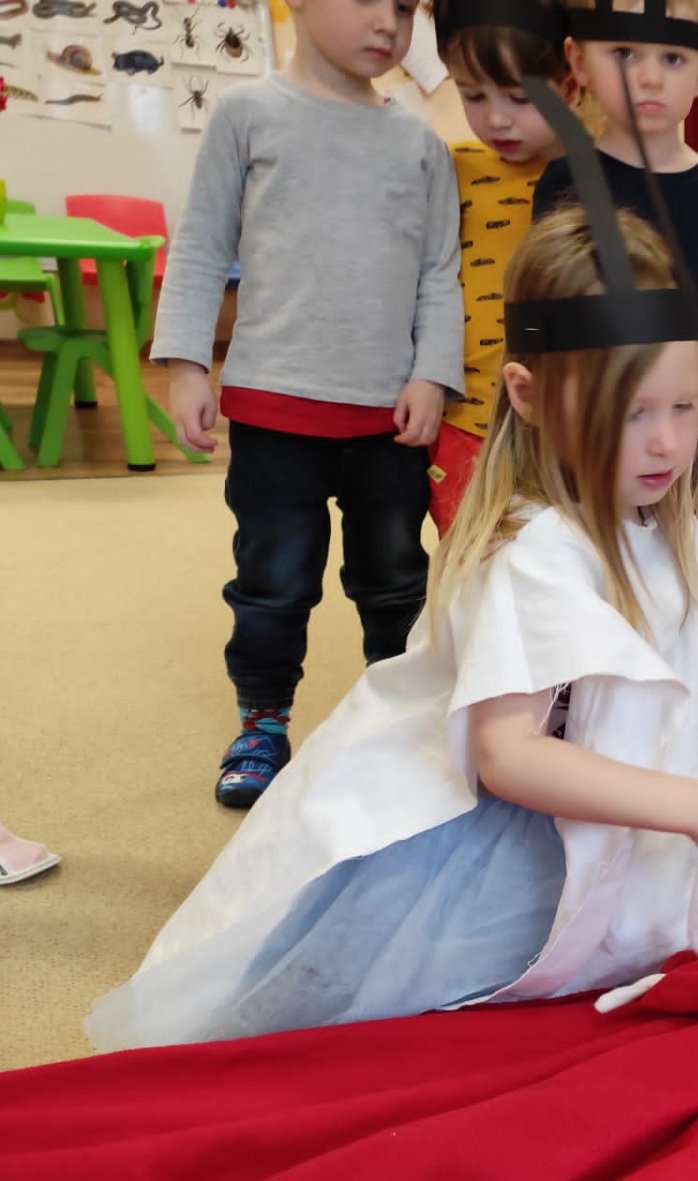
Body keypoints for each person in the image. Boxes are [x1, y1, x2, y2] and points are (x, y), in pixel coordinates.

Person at [89, 193, 698, 1053]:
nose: (668, 443)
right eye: (632, 414)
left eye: (682, 407)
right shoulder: (532, 553)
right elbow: (507, 756)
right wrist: (694, 804)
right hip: (493, 832)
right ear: (529, 393)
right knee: (397, 1026)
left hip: (601, 805)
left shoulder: (655, 523)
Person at [153, 0, 464, 809]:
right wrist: (186, 364)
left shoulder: (420, 143)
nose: (389, 23)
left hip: (389, 421)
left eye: (405, 7)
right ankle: (263, 721)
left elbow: (439, 271)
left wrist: (432, 374)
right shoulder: (247, 114)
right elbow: (201, 244)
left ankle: (396, 722)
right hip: (274, 411)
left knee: (394, 583)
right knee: (273, 582)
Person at [531, 0, 698, 542]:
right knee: (591, 567)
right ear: (579, 62)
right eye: (624, 53)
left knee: (688, 570)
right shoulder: (564, 184)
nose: (648, 77)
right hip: (595, 438)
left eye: (671, 58)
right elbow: (540, 316)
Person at [425, 0, 573, 535]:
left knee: (563, 559)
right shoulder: (450, 168)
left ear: (570, 84)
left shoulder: (598, 176)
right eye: (473, 95)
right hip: (464, 423)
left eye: (520, 97)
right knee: (472, 560)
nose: (496, 118)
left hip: (566, 428)